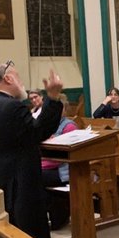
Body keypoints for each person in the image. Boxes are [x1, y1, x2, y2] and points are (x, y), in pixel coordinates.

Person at [0, 61, 64, 238]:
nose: (22, 83)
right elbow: (39, 131)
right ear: (7, 78)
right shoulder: (11, 107)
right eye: (18, 77)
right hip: (20, 188)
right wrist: (53, 98)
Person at [41, 94, 78, 230]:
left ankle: (58, 215)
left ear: (64, 110)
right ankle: (53, 216)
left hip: (63, 170)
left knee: (35, 177)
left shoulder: (69, 127)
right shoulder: (47, 126)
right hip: (48, 168)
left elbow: (65, 154)